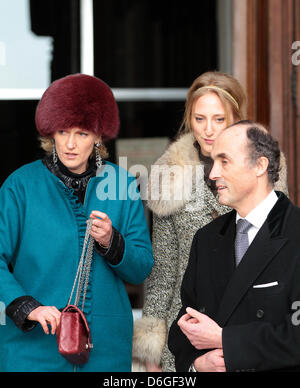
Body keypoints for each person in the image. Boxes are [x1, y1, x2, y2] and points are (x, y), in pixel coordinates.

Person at [132, 72, 288, 372]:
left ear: (236, 117)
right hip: (188, 330)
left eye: (219, 119)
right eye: (199, 118)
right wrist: (150, 354)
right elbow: (163, 270)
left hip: (251, 326)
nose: (208, 130)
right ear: (189, 117)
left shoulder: (263, 171)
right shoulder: (169, 177)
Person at [0, 73, 154, 372]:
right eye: (63, 131)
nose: (70, 144)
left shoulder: (122, 183)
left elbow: (141, 268)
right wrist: (26, 306)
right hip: (33, 350)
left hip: (105, 348)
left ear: (98, 136)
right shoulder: (19, 186)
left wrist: (112, 241)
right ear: (50, 133)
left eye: (82, 133)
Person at [168, 121, 300, 372]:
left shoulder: (296, 231)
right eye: (212, 161)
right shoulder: (206, 239)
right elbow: (182, 325)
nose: (212, 174)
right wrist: (196, 364)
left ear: (260, 165)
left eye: (224, 161)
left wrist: (225, 341)